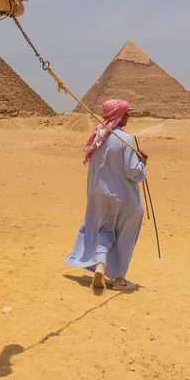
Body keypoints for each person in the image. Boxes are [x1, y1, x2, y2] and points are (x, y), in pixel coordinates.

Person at [64, 99, 148, 291]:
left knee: (105, 230)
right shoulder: (125, 139)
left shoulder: (97, 137)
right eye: (126, 113)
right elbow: (132, 171)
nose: (128, 116)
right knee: (126, 234)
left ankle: (101, 265)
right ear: (118, 115)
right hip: (123, 196)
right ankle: (119, 278)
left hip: (98, 195)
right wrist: (142, 164)